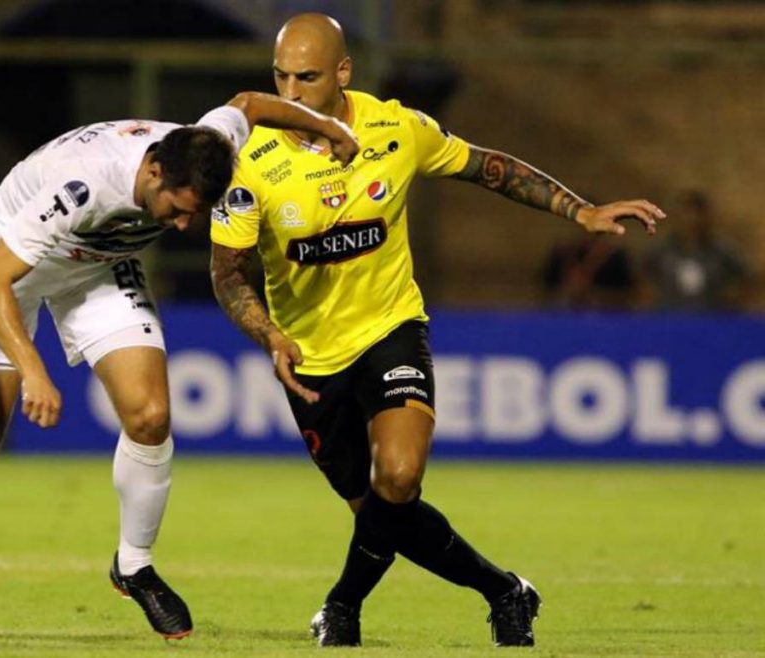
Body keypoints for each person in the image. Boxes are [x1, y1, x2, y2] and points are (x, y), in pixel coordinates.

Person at [209, 13, 664, 649]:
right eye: (280, 76)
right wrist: (268, 335)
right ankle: (506, 592)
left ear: (343, 72)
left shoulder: (397, 128)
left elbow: (488, 166)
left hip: (391, 327)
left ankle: (341, 607)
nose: (290, 92)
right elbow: (227, 274)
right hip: (308, 353)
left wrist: (578, 208)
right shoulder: (248, 160)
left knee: (398, 477)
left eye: (306, 77)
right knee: (380, 516)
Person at [0, 91, 358, 644]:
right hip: (10, 264)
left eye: (194, 214)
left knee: (151, 416)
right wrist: (34, 370)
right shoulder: (81, 184)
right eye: (178, 209)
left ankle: (134, 566)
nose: (183, 226)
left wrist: (327, 127)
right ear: (152, 170)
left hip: (99, 263)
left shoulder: (207, 146)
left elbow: (249, 103)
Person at [645, 190, 747, 312]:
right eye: (685, 214)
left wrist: (733, 298)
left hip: (714, 321)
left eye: (696, 215)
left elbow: (745, 283)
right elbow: (643, 285)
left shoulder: (723, 253)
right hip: (669, 321)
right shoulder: (660, 253)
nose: (691, 221)